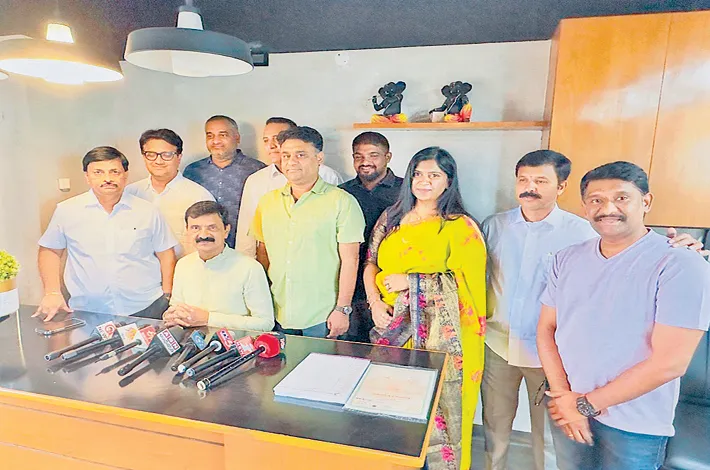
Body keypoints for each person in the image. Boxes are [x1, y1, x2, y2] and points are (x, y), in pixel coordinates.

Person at [481, 150, 706, 470]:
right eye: (597, 200)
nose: (607, 208)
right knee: (504, 430)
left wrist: (581, 404)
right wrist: (566, 397)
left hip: (622, 413)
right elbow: (545, 324)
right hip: (515, 354)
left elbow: (670, 362)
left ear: (646, 202)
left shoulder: (673, 261)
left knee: (548, 446)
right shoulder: (510, 233)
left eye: (621, 198)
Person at [363, 147, 486, 470]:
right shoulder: (391, 218)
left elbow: (470, 286)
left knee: (437, 411)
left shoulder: (460, 227)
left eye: (434, 175)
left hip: (441, 341)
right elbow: (370, 263)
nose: (424, 181)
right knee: (393, 409)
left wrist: (411, 281)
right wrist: (375, 304)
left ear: (449, 181)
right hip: (391, 330)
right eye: (418, 174)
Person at [35, 146, 177, 321]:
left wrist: (167, 295)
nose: (107, 179)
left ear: (125, 175)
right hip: (88, 309)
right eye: (98, 172)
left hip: (146, 307)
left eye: (114, 172)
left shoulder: (148, 211)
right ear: (87, 176)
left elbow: (166, 253)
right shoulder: (67, 211)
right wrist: (52, 292)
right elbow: (50, 250)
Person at [250, 126, 365, 338]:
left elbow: (351, 260)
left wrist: (342, 309)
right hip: (276, 310)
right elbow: (262, 253)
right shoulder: (268, 202)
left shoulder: (341, 201)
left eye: (300, 155)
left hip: (323, 315)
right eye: (286, 155)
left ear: (319, 158)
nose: (291, 162)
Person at [236, 117, 343, 257]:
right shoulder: (256, 180)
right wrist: (248, 264)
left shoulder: (328, 176)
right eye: (266, 140)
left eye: (277, 139)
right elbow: (246, 231)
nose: (271, 145)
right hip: (272, 261)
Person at [163, 201, 274, 331]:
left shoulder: (250, 268)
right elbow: (176, 306)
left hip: (234, 343)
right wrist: (171, 315)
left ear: (226, 230)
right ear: (187, 231)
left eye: (212, 228)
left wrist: (209, 319)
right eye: (195, 228)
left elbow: (265, 323)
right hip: (190, 341)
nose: (203, 235)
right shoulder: (183, 264)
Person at [339, 131, 403, 342]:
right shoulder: (342, 193)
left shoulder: (406, 192)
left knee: (390, 352)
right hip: (350, 287)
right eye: (358, 156)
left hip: (392, 287)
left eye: (373, 155)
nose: (365, 162)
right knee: (350, 349)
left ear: (388, 157)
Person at [125, 128, 214, 258]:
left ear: (179, 157)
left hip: (182, 268)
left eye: (167, 155)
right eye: (151, 154)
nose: (158, 161)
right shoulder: (130, 193)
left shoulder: (199, 197)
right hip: (140, 268)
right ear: (144, 157)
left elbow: (208, 245)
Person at [183, 115, 265, 248]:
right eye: (210, 136)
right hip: (202, 246)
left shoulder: (257, 170)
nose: (216, 141)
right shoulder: (193, 171)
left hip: (243, 247)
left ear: (237, 138)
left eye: (223, 135)